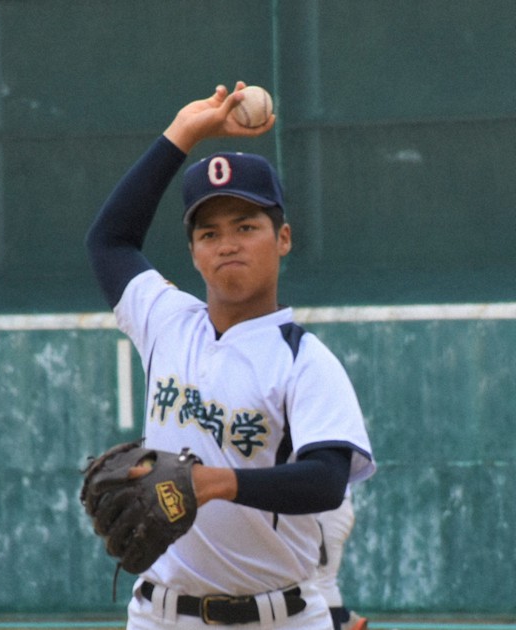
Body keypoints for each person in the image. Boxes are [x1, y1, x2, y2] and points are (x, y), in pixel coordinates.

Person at [84, 82, 375, 629]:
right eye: (210, 232)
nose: (228, 244)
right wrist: (184, 132)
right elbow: (110, 242)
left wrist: (215, 483)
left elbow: (325, 480)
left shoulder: (304, 359)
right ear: (193, 252)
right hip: (160, 615)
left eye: (247, 226)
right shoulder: (167, 321)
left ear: (282, 237)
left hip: (281, 616)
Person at [310, 490, 369, 629]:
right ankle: (346, 618)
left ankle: (344, 620)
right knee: (316, 580)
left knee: (322, 580)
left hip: (330, 507)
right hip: (327, 507)